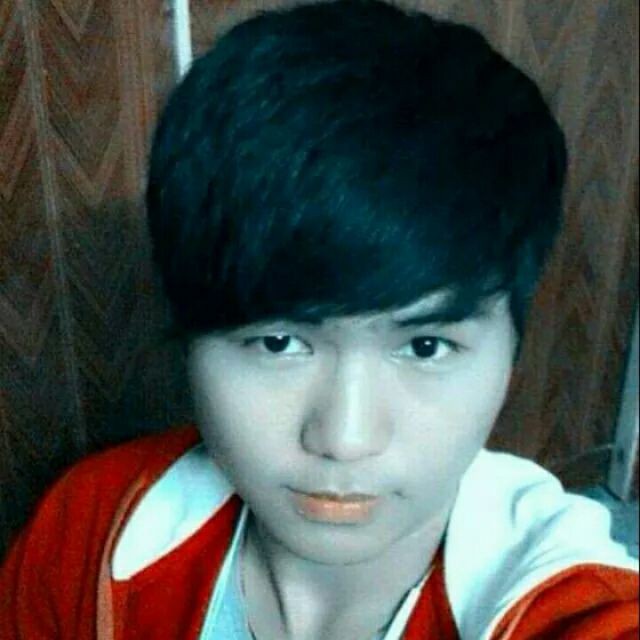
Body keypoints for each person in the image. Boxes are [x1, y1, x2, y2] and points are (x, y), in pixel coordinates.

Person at [1, 1, 638, 638]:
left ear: (512, 347)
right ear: (189, 336)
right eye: (279, 342)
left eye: (425, 346)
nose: (345, 437)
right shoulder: (87, 532)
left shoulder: (574, 608)